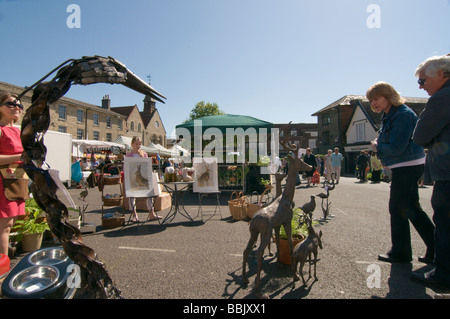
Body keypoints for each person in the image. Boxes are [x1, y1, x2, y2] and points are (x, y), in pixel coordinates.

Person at [366, 82, 435, 265]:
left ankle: (401, 252)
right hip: (406, 165)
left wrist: (377, 146)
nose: (373, 103)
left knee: (398, 209)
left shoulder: (402, 114)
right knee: (412, 209)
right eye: (371, 100)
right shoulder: (390, 114)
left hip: (408, 165)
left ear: (388, 96)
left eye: (376, 98)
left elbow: (397, 147)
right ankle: (436, 249)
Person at [412, 54, 450, 289]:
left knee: (445, 224)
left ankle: (443, 275)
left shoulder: (442, 98)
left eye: (422, 81)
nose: (421, 86)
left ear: (441, 74)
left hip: (447, 173)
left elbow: (420, 136)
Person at [0, 93, 26, 257]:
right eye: (11, 104)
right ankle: (2, 269)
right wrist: (20, 157)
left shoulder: (19, 131)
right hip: (3, 181)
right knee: (5, 226)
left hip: (18, 179)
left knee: (12, 222)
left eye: (20, 105)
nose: (17, 107)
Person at [126, 136, 161, 222]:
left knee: (149, 195)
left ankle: (151, 214)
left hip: (143, 178)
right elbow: (126, 169)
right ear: (132, 144)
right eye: (136, 144)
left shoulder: (144, 154)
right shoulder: (128, 156)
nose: (138, 146)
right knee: (131, 197)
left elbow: (147, 167)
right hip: (132, 179)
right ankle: (134, 215)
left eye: (140, 144)